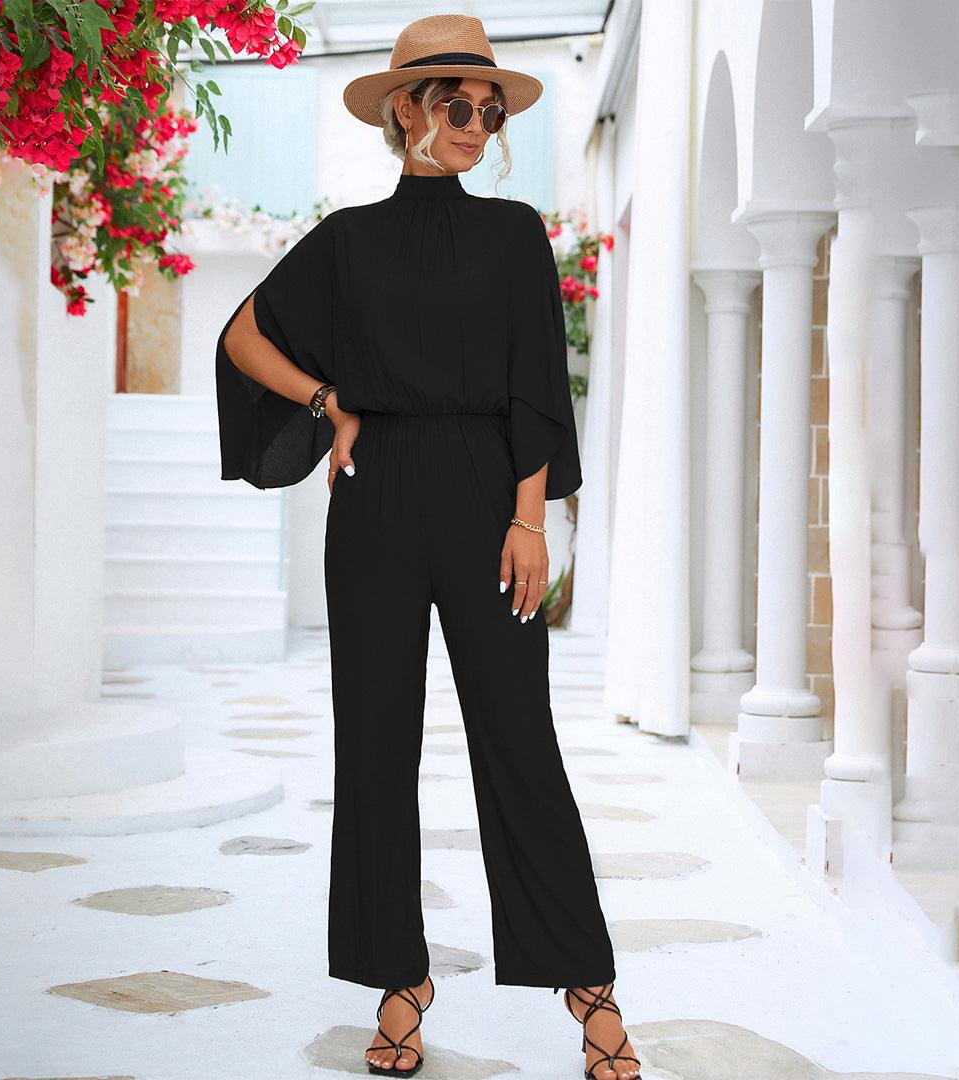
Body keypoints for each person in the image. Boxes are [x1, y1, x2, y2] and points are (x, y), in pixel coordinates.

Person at [216, 13, 642, 1080]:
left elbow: (536, 386)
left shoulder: (511, 236)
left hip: (486, 499)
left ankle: (588, 986)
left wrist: (531, 517)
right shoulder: (348, 240)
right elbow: (240, 336)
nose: (477, 122)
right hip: (374, 504)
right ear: (407, 109)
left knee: (519, 742)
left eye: (490, 108)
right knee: (374, 745)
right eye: (457, 102)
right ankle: (397, 984)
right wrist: (325, 401)